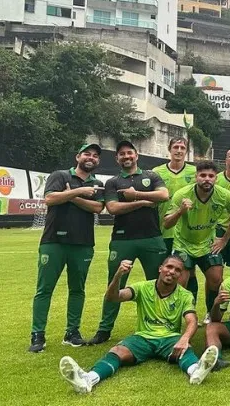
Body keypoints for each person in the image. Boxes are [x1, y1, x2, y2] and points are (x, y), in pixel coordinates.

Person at [58, 257, 219, 393]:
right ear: (160, 268)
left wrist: (184, 338)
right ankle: (88, 379)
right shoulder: (143, 287)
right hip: (143, 337)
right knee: (117, 351)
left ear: (181, 274)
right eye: (169, 267)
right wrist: (118, 276)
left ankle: (196, 371)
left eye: (177, 270)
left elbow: (192, 320)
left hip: (169, 338)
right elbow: (112, 297)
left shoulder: (185, 295)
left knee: (185, 349)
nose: (172, 271)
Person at [88, 141, 170, 346]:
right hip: (123, 240)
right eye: (122, 154)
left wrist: (136, 194)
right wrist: (142, 202)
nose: (126, 156)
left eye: (129, 153)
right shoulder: (113, 182)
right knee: (115, 283)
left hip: (152, 237)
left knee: (159, 283)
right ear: (117, 158)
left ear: (136, 156)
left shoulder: (151, 176)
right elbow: (113, 208)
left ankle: (161, 324)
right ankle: (104, 329)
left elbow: (163, 195)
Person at [30, 144, 105, 353]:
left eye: (95, 156)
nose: (91, 158)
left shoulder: (97, 183)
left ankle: (72, 333)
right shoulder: (60, 175)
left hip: (82, 243)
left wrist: (72, 196)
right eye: (87, 154)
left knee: (77, 289)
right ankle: (38, 335)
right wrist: (80, 192)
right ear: (78, 157)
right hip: (54, 241)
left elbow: (98, 208)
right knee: (44, 289)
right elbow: (50, 198)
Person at [164, 161, 230, 318]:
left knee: (216, 278)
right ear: (196, 177)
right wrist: (180, 211)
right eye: (203, 175)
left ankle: (210, 314)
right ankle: (180, 315)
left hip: (208, 244)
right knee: (180, 280)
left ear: (216, 179)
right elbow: (166, 224)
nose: (207, 179)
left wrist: (224, 239)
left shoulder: (224, 195)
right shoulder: (182, 195)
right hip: (183, 244)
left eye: (211, 176)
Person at [152, 138, 196, 250]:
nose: (179, 150)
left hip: (186, 228)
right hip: (162, 227)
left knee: (185, 266)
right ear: (169, 149)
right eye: (176, 147)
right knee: (162, 265)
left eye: (183, 148)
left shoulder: (195, 172)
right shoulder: (156, 171)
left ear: (186, 152)